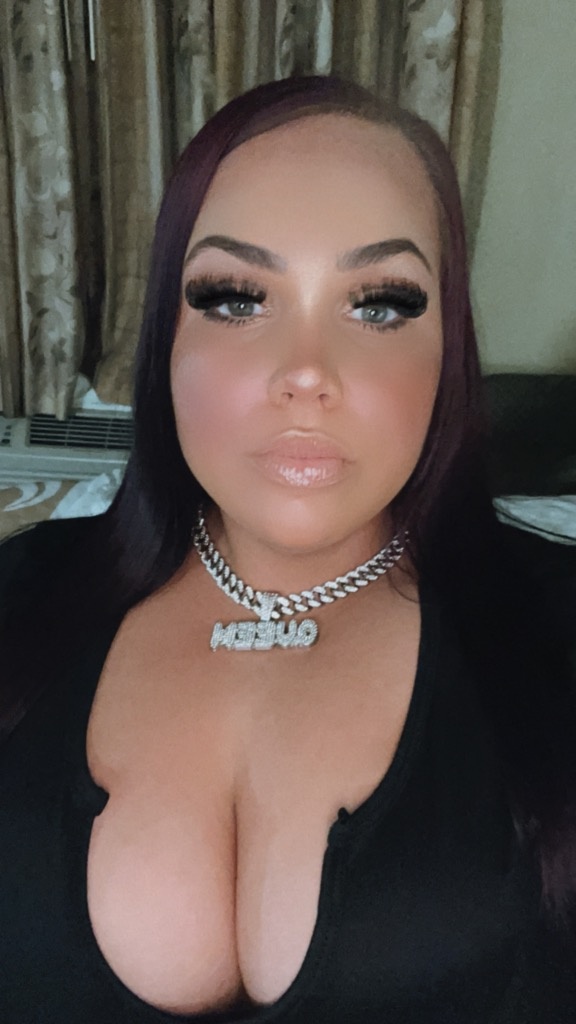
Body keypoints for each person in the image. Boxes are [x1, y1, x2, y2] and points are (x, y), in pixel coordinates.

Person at [0, 75, 575, 1023]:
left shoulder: (555, 634)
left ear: (449, 349)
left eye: (379, 304)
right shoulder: (19, 601)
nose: (306, 372)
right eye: (235, 298)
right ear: (166, 337)